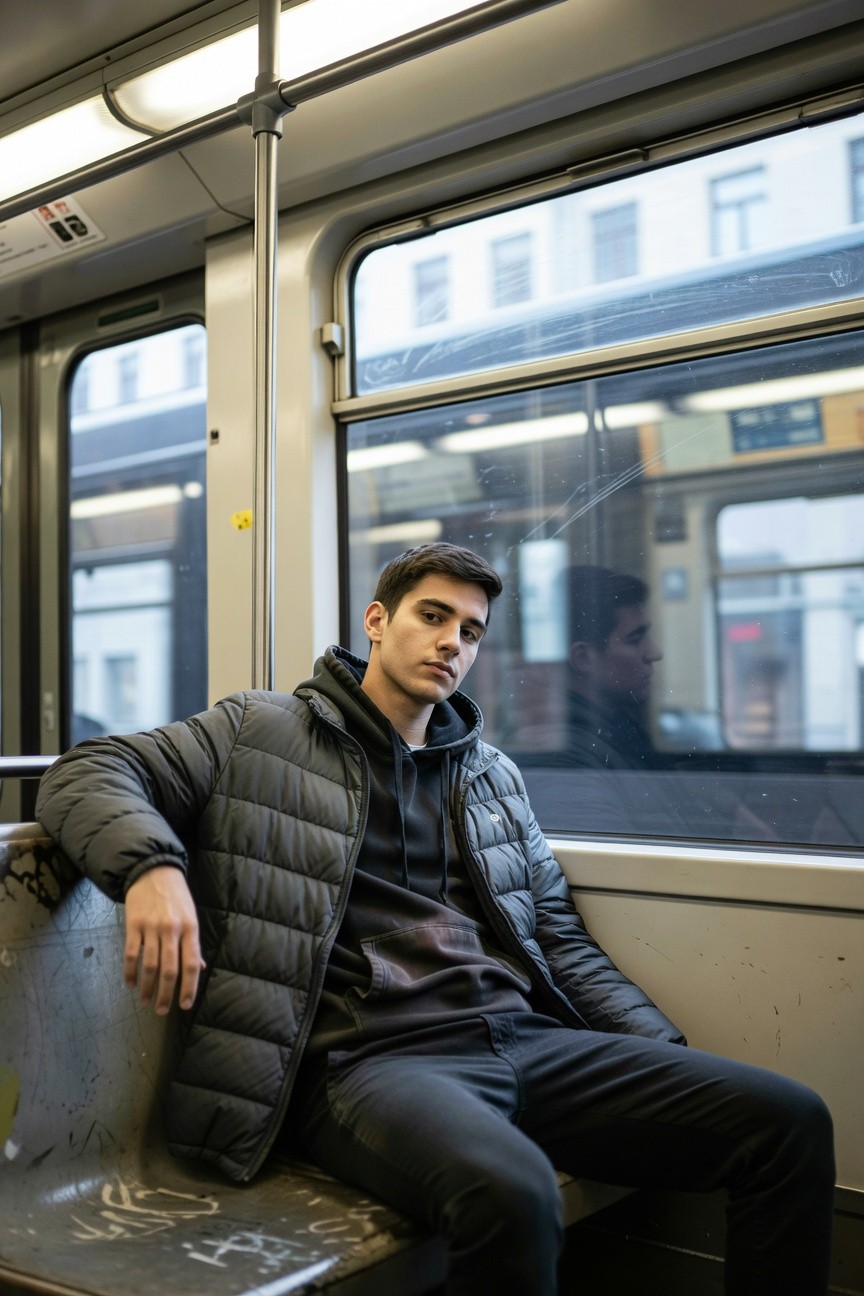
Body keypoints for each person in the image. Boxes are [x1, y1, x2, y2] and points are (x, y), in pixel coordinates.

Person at [35, 543, 834, 1296]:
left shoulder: (491, 776)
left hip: (521, 1038)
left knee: (788, 1122)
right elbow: (90, 771)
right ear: (377, 622)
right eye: (432, 616)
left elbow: (555, 933)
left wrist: (656, 1060)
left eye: (471, 631)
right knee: (515, 1196)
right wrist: (153, 870)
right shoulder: (262, 731)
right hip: (369, 1060)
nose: (451, 641)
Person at [564, 565, 665, 769]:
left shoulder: (617, 727)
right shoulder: (571, 751)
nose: (655, 653)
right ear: (584, 658)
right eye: (635, 639)